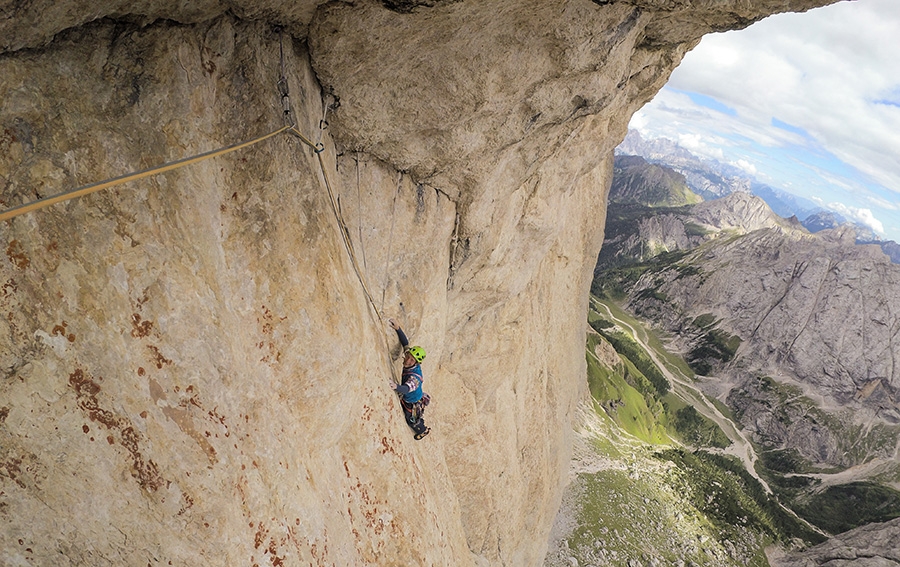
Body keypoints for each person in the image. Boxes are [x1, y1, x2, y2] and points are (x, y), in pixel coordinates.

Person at [388, 318, 431, 440]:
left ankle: (423, 430)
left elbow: (407, 389)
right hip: (414, 396)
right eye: (408, 357)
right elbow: (405, 344)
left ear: (416, 362)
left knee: (411, 420)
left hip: (411, 400)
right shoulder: (410, 358)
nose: (407, 360)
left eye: (411, 360)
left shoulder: (415, 378)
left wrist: (396, 387)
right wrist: (398, 328)